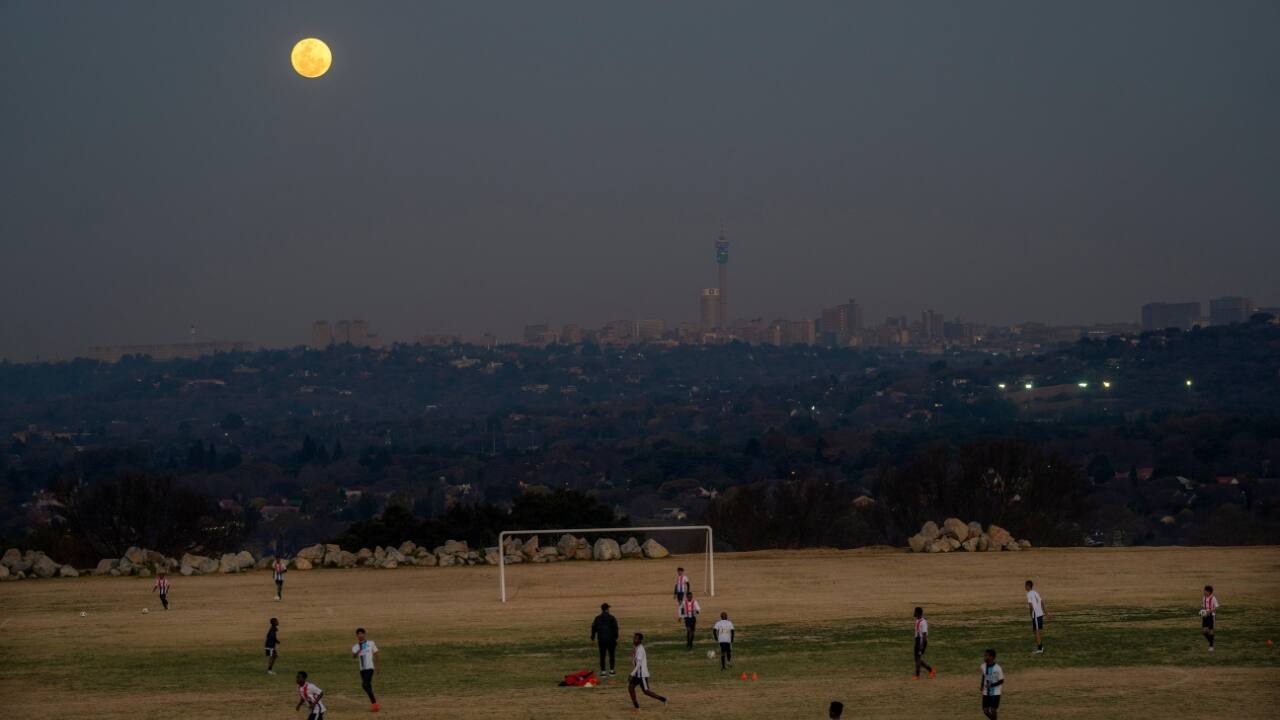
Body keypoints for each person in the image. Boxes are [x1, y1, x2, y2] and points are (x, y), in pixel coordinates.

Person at [628, 632, 667, 710]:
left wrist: (632, 673)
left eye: (636, 638)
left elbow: (638, 664)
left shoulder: (640, 649)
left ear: (640, 640)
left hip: (642, 674)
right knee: (630, 687)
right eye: (634, 638)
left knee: (646, 691)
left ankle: (663, 699)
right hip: (637, 674)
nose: (634, 640)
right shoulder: (636, 647)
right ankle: (636, 706)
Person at [352, 627, 380, 712]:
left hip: (370, 668)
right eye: (358, 634)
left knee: (364, 685)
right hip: (362, 670)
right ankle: (374, 704)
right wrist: (359, 650)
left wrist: (378, 667)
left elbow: (376, 654)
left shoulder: (371, 643)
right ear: (357, 635)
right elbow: (353, 656)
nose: (360, 635)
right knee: (368, 686)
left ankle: (374, 704)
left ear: (364, 634)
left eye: (361, 633)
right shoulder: (356, 646)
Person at [591, 602, 620, 676]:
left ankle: (603, 671)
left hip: (601, 640)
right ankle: (612, 671)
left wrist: (593, 637)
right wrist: (616, 637)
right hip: (611, 639)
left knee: (602, 656)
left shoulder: (597, 618)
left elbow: (594, 628)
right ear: (607, 609)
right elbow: (616, 628)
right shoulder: (612, 617)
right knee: (612, 655)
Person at [980, 649, 1004, 719]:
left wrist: (991, 685)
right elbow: (984, 675)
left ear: (991, 657)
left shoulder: (997, 668)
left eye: (986, 656)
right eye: (984, 655)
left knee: (993, 710)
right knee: (985, 710)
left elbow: (1001, 681)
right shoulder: (983, 666)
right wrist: (981, 685)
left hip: (995, 693)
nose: (984, 657)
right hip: (986, 692)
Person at [1026, 580, 1048, 653]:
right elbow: (1042, 602)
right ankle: (1040, 646)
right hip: (1040, 613)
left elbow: (1030, 606)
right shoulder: (1036, 592)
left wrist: (1031, 614)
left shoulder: (1029, 594)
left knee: (1036, 632)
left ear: (1028, 586)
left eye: (1025, 585)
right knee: (1035, 631)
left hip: (1036, 614)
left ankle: (1040, 649)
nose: (1025, 587)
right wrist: (1046, 613)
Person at [913, 607, 935, 679]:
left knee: (918, 659)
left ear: (918, 613)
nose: (914, 613)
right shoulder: (917, 620)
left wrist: (922, 646)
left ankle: (917, 675)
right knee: (917, 659)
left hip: (921, 642)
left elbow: (924, 635)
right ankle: (931, 670)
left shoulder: (923, 622)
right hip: (917, 641)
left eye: (915, 612)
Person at [1201, 585, 1220, 652]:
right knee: (1204, 631)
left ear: (1209, 592)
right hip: (1205, 616)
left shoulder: (1213, 598)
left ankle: (1211, 646)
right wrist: (1203, 613)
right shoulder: (1204, 598)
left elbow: (1217, 607)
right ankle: (1211, 642)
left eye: (1205, 591)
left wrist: (1210, 611)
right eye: (1204, 590)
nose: (1204, 592)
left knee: (1210, 631)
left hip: (1211, 616)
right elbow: (1203, 606)